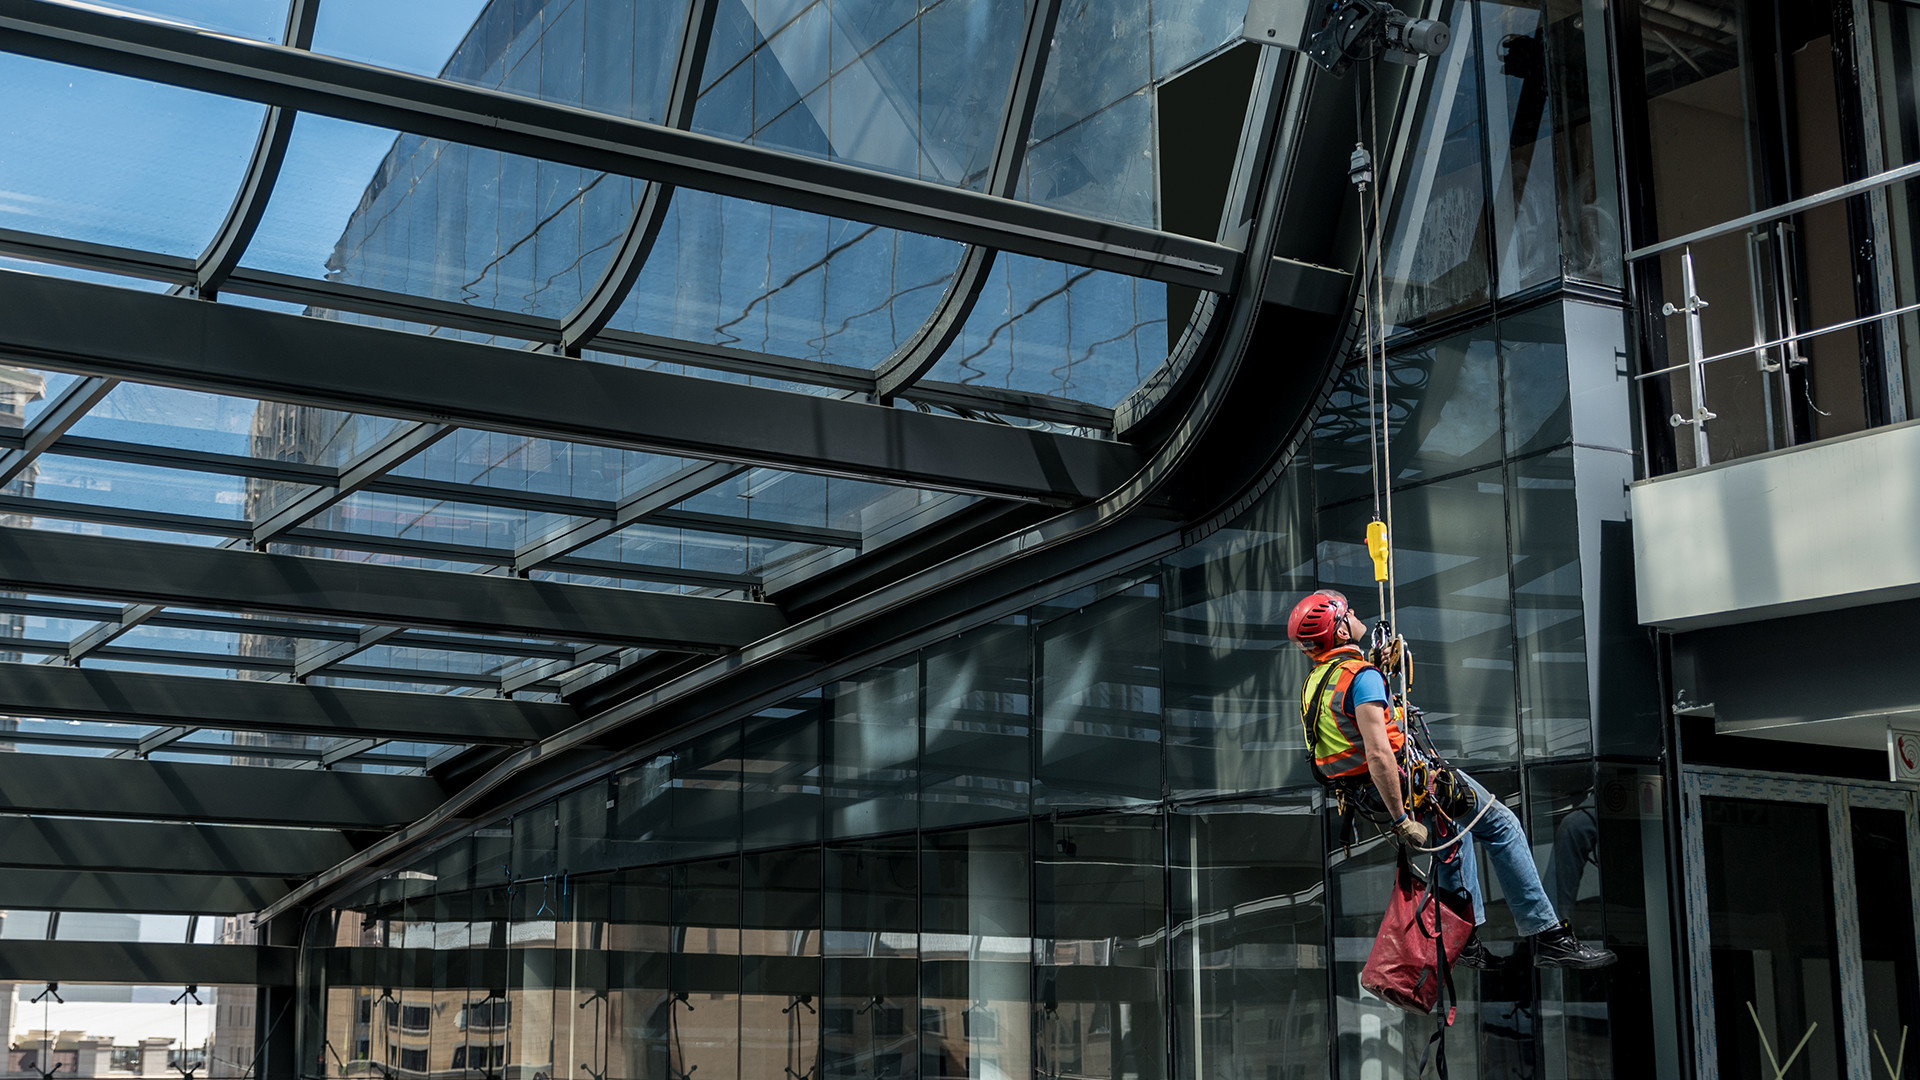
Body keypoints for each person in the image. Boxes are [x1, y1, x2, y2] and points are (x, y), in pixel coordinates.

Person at [1288, 588, 1615, 969]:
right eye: (1348, 613)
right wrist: (1401, 821)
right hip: (1406, 787)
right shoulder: (1360, 679)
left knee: (1454, 838)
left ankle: (1466, 939)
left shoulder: (1317, 683)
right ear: (1341, 632)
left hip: (1365, 794)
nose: (1355, 613)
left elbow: (1347, 727)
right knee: (1500, 823)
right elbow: (1378, 752)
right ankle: (1548, 935)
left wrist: (1375, 667)